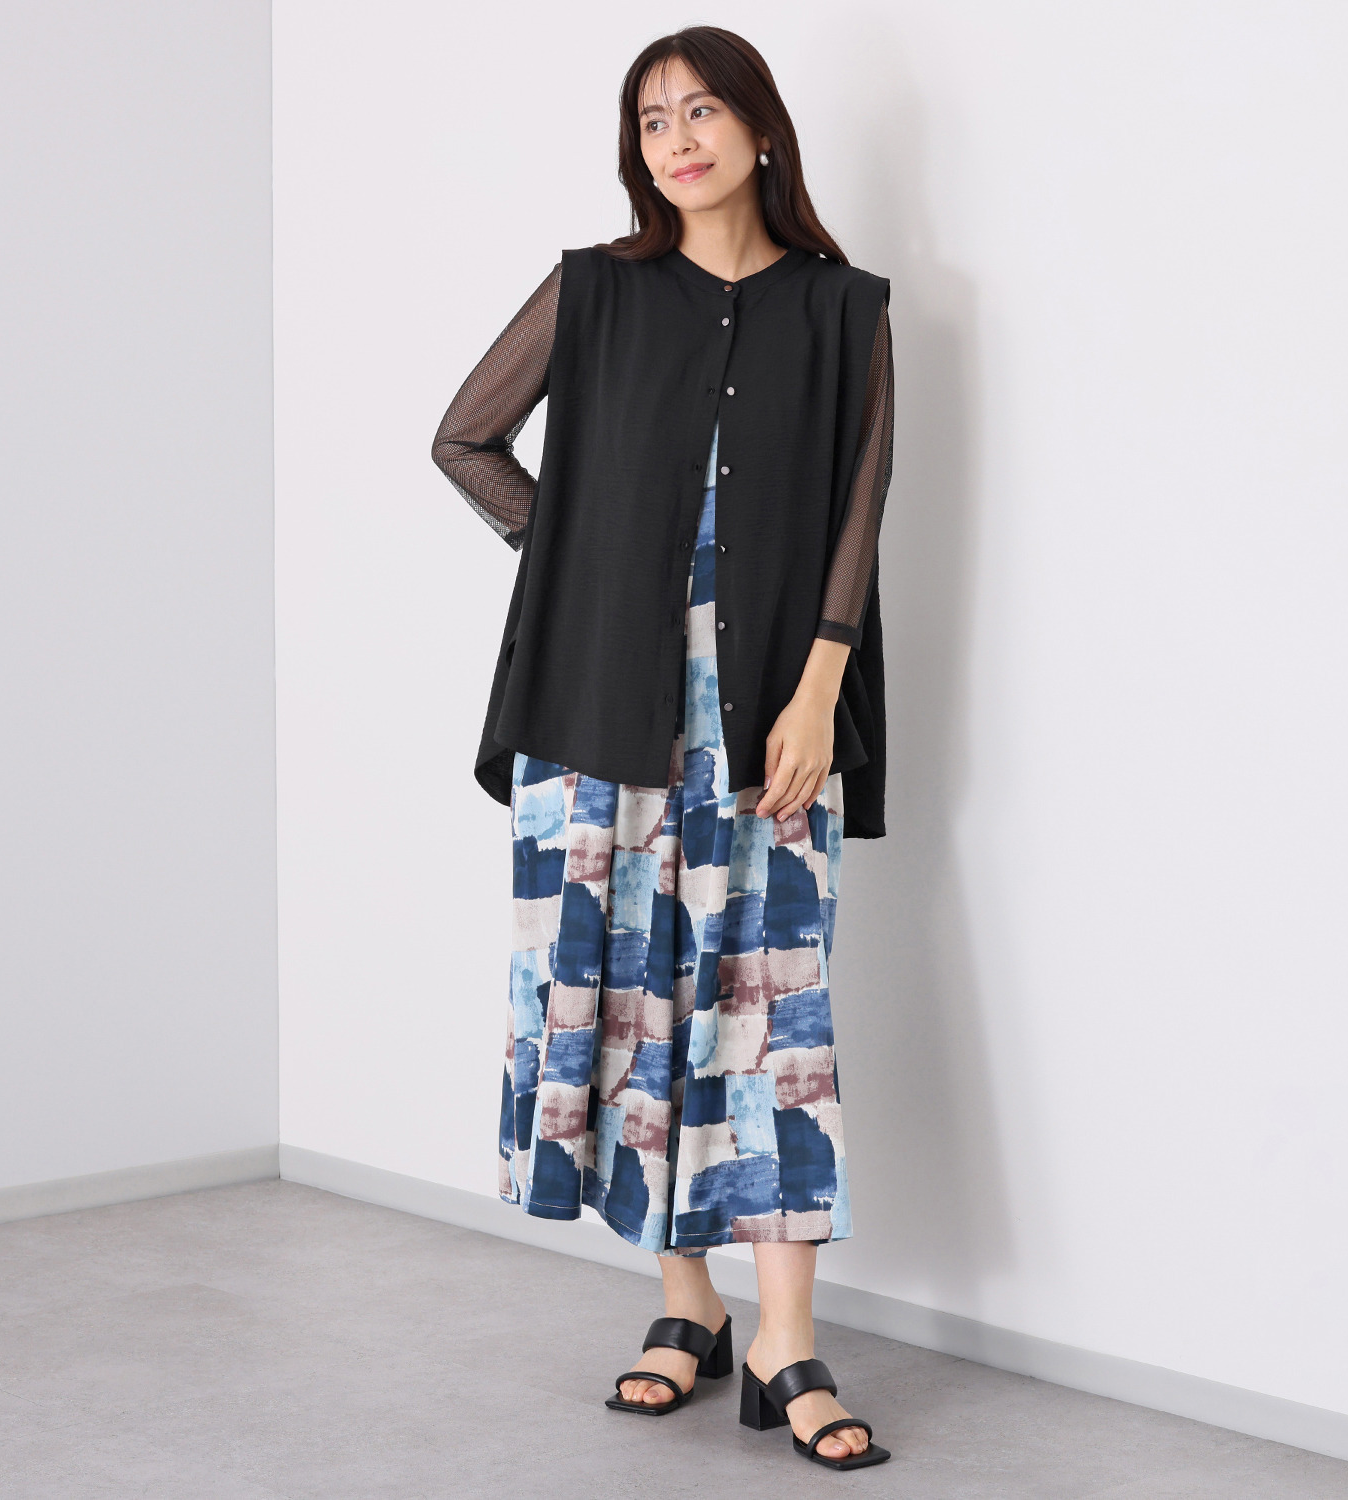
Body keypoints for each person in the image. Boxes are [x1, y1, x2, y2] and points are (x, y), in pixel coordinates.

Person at [432, 25, 894, 1472]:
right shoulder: (597, 291)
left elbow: (861, 505)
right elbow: (464, 440)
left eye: (701, 111)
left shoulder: (844, 308)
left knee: (775, 1011)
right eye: (651, 120)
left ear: (760, 129)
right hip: (599, 710)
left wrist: (820, 684)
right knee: (635, 999)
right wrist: (583, 561)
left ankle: (785, 1338)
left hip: (770, 714)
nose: (677, 139)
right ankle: (686, 1304)